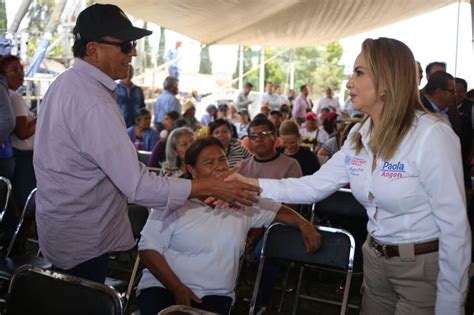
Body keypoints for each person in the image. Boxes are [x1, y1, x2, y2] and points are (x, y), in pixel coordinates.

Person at [230, 37, 471, 315]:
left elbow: (455, 227)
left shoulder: (431, 135)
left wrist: (452, 303)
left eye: (359, 73)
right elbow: (314, 186)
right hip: (374, 261)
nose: (348, 83)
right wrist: (248, 184)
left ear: (386, 81)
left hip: (421, 269)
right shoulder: (360, 134)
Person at [33, 4, 260, 284]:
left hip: (64, 228)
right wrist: (207, 186)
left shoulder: (65, 83)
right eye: (126, 45)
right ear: (93, 49)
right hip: (83, 238)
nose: (134, 52)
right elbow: (137, 186)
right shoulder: (92, 103)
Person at [136, 137, 321, 315]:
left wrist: (304, 224)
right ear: (192, 169)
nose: (218, 166)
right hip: (163, 286)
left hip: (214, 293)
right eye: (209, 163)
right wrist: (177, 287)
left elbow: (278, 210)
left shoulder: (241, 200)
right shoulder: (176, 200)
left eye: (222, 159)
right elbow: (148, 249)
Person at [0, 55, 37, 209]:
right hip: (23, 156)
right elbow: (23, 132)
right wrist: (42, 117)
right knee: (26, 203)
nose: (20, 74)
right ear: (3, 74)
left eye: (21, 69)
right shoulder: (14, 97)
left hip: (16, 154)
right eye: (14, 70)